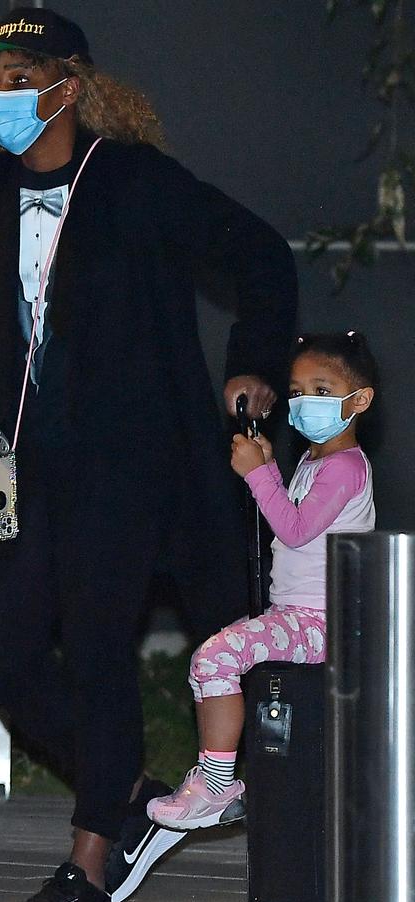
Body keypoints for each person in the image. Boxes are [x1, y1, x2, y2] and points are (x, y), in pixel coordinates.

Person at [0, 7, 298, 902]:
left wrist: (253, 360)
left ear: (72, 85)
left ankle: (92, 860)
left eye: (23, 74)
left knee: (98, 637)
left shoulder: (133, 183)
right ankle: (125, 789)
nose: (4, 93)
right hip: (14, 468)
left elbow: (260, 254)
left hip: (126, 463)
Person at [147, 331, 377, 831]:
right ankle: (214, 779)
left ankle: (216, 785)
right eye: (296, 391)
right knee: (207, 664)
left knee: (215, 658)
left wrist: (259, 475)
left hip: (322, 621)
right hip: (294, 614)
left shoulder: (343, 469)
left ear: (358, 401)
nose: (303, 402)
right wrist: (269, 466)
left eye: (321, 390)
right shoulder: (318, 462)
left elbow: (293, 529)